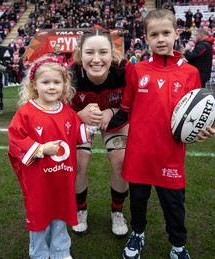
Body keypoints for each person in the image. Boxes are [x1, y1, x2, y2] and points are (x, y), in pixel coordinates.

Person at [107, 9, 215, 259]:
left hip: (171, 154)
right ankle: (137, 233)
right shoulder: (137, 71)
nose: (160, 39)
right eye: (154, 34)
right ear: (145, 38)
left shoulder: (190, 74)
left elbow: (197, 113)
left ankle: (178, 246)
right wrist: (99, 124)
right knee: (138, 201)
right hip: (139, 153)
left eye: (166, 33)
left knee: (174, 205)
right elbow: (125, 108)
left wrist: (204, 129)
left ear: (176, 34)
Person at [8, 56, 97, 259]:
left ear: (64, 85)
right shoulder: (26, 113)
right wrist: (40, 148)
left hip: (62, 177)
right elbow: (15, 139)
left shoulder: (67, 112)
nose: (51, 87)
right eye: (45, 82)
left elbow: (79, 136)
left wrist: (92, 119)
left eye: (56, 82)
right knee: (40, 214)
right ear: (34, 84)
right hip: (38, 178)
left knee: (60, 213)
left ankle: (60, 250)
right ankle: (39, 252)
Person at [68, 27, 134, 236]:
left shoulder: (125, 70)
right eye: (89, 52)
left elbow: (135, 103)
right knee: (78, 163)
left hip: (115, 119)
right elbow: (56, 109)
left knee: (121, 161)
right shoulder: (70, 75)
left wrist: (113, 110)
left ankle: (117, 212)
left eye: (103, 52)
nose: (96, 59)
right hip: (80, 119)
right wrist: (78, 116)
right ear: (80, 53)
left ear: (112, 53)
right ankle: (80, 209)